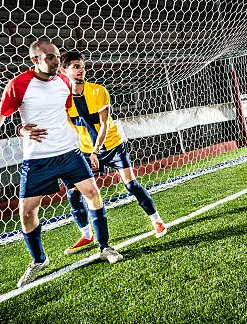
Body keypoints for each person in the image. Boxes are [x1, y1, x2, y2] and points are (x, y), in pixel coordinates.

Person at [0, 39, 123, 288]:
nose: (55, 61)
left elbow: (64, 113)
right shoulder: (18, 84)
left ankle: (105, 247)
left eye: (56, 56)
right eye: (49, 57)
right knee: (26, 213)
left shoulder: (64, 81)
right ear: (35, 60)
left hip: (69, 152)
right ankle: (39, 260)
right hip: (37, 159)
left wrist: (89, 144)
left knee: (93, 194)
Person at [56, 51, 167, 254]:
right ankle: (87, 235)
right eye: (75, 66)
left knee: (131, 184)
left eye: (82, 65)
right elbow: (69, 123)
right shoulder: (63, 99)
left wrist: (96, 150)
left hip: (112, 146)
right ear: (64, 71)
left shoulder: (98, 91)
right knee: (73, 193)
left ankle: (158, 221)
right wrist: (83, 145)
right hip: (86, 151)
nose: (81, 70)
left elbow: (105, 123)